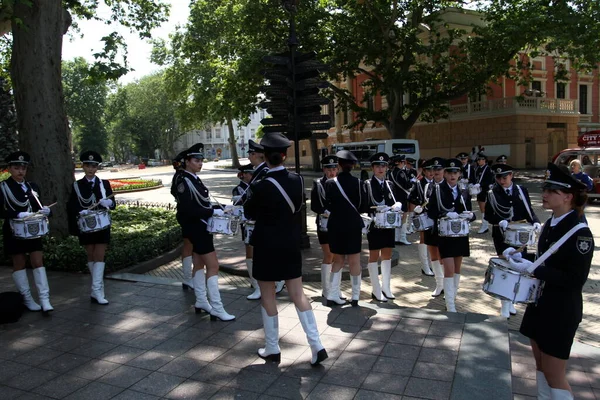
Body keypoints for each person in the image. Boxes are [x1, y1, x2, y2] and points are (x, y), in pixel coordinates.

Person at [506, 163, 593, 400]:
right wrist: (520, 257)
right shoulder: (551, 223)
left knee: (555, 373)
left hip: (561, 309)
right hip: (541, 304)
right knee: (541, 368)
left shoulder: (579, 232)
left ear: (568, 196)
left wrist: (534, 270)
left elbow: (575, 280)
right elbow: (547, 260)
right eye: (545, 188)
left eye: (552, 191)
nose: (544, 194)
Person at [244, 132, 328, 366]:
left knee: (268, 294)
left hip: (266, 244)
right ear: (284, 155)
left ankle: (272, 348)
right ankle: (316, 344)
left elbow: (249, 212)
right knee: (298, 294)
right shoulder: (297, 180)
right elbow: (299, 205)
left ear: (265, 158)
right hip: (290, 242)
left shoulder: (260, 186)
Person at [174, 143, 235, 321]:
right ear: (186, 162)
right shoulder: (184, 181)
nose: (200, 163)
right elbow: (189, 210)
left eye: (201, 160)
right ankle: (217, 307)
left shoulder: (193, 178)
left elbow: (202, 203)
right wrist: (213, 211)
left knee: (199, 263)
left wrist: (221, 207)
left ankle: (201, 301)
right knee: (213, 266)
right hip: (196, 227)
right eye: (196, 160)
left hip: (200, 226)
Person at [483, 164, 540, 318]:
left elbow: (529, 210)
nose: (502, 181)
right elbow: (488, 215)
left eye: (505, 177)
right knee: (506, 268)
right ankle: (504, 304)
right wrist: (499, 220)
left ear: (511, 175)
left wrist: (535, 221)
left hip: (520, 234)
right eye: (499, 178)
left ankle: (512, 299)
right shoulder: (492, 193)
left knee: (518, 267)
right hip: (502, 234)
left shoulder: (521, 190)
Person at [0, 151, 53, 314]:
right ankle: (28, 299)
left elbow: (37, 206)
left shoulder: (32, 186)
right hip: (14, 231)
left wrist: (45, 211)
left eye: (23, 168)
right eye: (16, 168)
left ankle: (45, 299)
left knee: (38, 262)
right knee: (19, 263)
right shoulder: (3, 187)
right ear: (9, 169)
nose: (20, 171)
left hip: (33, 231)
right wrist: (16, 214)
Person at [67, 151, 116, 305]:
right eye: (87, 165)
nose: (90, 169)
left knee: (99, 255)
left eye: (94, 166)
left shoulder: (104, 184)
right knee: (90, 255)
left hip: (101, 224)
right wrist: (79, 211)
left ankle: (97, 290)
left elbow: (113, 203)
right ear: (83, 166)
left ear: (97, 167)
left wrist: (108, 203)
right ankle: (96, 290)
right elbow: (72, 204)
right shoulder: (77, 185)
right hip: (86, 224)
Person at [427, 158, 476, 312]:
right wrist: (446, 213)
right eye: (449, 172)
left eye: (456, 172)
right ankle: (450, 305)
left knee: (457, 268)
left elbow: (470, 211)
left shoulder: (464, 191)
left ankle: (453, 296)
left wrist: (470, 216)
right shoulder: (437, 189)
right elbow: (432, 212)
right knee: (448, 267)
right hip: (445, 235)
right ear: (445, 174)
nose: (452, 175)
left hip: (460, 234)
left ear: (460, 174)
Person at [238, 140, 285, 299]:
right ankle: (260, 285)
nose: (250, 157)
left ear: (258, 155)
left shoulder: (264, 171)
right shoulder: (259, 171)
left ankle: (266, 285)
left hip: (262, 220)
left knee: (261, 254)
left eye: (251, 153)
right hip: (256, 219)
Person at [325, 150, 370, 306]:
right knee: (354, 261)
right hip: (352, 225)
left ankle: (332, 294)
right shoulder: (359, 183)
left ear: (338, 165)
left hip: (336, 224)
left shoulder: (330, 183)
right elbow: (363, 206)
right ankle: (355, 297)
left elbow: (327, 204)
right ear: (353, 166)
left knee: (337, 260)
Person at [365, 152, 403, 301]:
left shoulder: (390, 184)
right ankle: (376, 289)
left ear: (387, 168)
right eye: (377, 166)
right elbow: (364, 204)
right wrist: (376, 209)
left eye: (383, 166)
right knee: (374, 255)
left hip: (388, 224)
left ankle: (386, 287)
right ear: (373, 168)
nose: (381, 169)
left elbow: (393, 201)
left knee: (387, 255)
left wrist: (397, 205)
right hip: (374, 224)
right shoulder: (367, 184)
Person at [310, 155, 344, 302]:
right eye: (329, 169)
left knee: (339, 257)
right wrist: (325, 211)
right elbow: (314, 205)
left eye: (335, 168)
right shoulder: (318, 184)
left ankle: (335, 288)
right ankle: (326, 289)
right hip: (324, 223)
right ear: (324, 169)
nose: (332, 172)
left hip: (338, 223)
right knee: (328, 254)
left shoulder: (340, 183)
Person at [170, 150, 194, 291]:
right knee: (188, 245)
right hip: (187, 215)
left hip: (187, 214)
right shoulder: (180, 177)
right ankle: (187, 278)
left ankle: (189, 278)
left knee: (191, 246)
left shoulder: (182, 176)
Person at [423, 157, 446, 297]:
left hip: (444, 225)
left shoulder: (448, 186)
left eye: (439, 169)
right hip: (431, 225)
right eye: (433, 169)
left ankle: (447, 284)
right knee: (433, 254)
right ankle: (439, 284)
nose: (435, 172)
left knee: (444, 255)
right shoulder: (428, 186)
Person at [408, 158, 435, 277]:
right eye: (428, 170)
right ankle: (425, 266)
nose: (431, 172)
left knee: (433, 240)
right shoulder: (419, 183)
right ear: (423, 171)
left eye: (432, 170)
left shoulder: (437, 182)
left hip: (434, 214)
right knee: (424, 238)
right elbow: (412, 197)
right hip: (423, 214)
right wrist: (415, 210)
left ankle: (431, 263)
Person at [389, 155, 412, 245]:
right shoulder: (401, 173)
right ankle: (402, 237)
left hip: (394, 197)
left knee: (396, 217)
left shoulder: (391, 172)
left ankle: (396, 237)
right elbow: (407, 185)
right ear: (399, 163)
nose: (404, 164)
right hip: (402, 196)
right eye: (403, 162)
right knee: (404, 217)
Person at [473, 152, 494, 234]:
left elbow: (489, 180)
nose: (478, 161)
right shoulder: (478, 169)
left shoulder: (488, 169)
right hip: (479, 190)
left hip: (485, 190)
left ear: (484, 160)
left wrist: (480, 184)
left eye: (480, 159)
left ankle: (485, 225)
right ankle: (484, 224)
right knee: (481, 206)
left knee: (483, 208)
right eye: (478, 160)